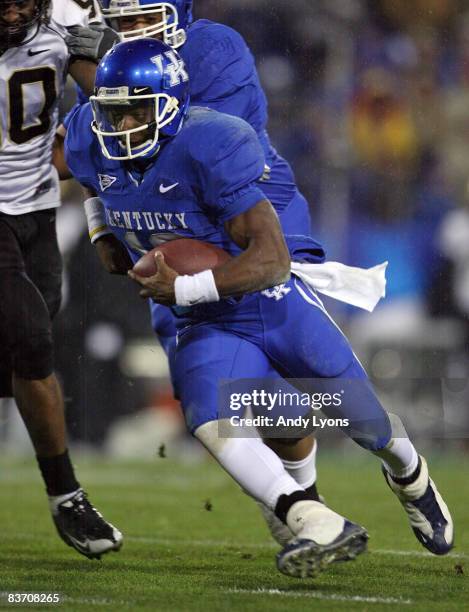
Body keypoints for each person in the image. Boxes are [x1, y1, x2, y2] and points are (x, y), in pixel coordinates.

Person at [64, 38, 454, 578]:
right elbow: (84, 175)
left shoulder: (210, 143)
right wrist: (102, 228)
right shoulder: (91, 136)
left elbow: (270, 261)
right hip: (204, 320)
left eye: (135, 110)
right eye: (111, 111)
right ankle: (313, 519)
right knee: (210, 419)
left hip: (269, 302)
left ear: (170, 104)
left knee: (369, 426)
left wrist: (185, 289)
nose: (120, 125)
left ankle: (410, 474)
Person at [64, 0, 321, 546]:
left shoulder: (213, 49)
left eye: (143, 16)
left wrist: (95, 77)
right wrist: (100, 229)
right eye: (122, 18)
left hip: (240, 221)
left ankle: (324, 488)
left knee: (289, 383)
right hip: (171, 234)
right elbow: (88, 158)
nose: (131, 28)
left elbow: (183, 142)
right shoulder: (118, 73)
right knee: (210, 395)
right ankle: (301, 508)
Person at [0, 0, 122, 558]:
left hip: (39, 211)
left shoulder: (65, 17)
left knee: (24, 365)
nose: (11, 14)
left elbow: (112, 99)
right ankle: (66, 493)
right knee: (32, 342)